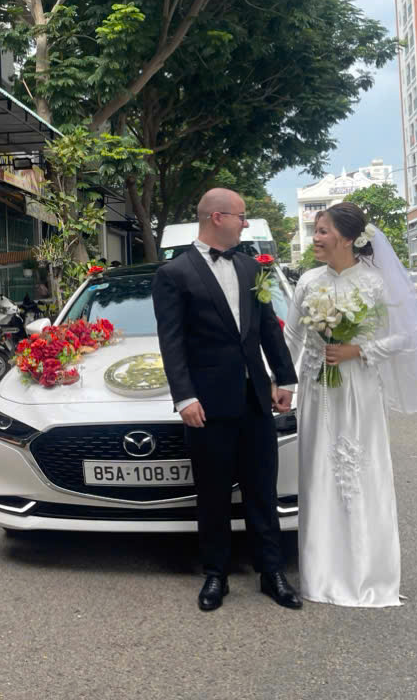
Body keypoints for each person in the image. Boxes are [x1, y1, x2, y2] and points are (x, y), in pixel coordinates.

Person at [284, 202, 417, 607]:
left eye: (323, 231)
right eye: (316, 230)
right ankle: (320, 575)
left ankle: (369, 572)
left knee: (360, 472)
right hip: (317, 390)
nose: (316, 238)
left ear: (349, 238)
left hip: (359, 389)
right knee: (317, 472)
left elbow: (409, 335)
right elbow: (293, 338)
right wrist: (281, 382)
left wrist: (359, 349)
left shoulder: (376, 282)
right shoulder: (307, 281)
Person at [151, 188, 299, 612]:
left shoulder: (253, 268)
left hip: (255, 399)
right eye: (241, 215)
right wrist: (184, 397)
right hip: (207, 405)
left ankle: (271, 572)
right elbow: (172, 342)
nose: (245, 222)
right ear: (217, 217)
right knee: (213, 493)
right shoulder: (174, 274)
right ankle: (215, 574)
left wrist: (283, 378)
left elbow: (269, 329)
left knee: (261, 489)